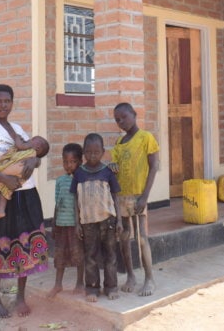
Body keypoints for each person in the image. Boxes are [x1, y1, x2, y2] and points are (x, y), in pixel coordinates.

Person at [0, 84, 49, 319]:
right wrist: (1, 177)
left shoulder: (18, 129)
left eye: (8, 101)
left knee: (24, 244)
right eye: (0, 100)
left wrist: (35, 162)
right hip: (0, 191)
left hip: (26, 195)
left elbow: (34, 154)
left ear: (12, 103)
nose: (4, 105)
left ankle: (20, 296)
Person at [110, 102, 160, 297]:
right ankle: (131, 275)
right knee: (124, 238)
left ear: (135, 114)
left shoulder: (146, 138)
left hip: (139, 196)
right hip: (122, 198)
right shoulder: (118, 144)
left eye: (124, 117)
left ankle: (149, 278)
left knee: (141, 238)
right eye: (117, 120)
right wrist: (113, 168)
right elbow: (115, 168)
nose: (121, 122)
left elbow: (154, 166)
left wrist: (145, 197)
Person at [71, 133, 123, 302]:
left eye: (96, 152)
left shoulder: (108, 172)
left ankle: (111, 287)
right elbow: (75, 199)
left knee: (110, 255)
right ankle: (92, 288)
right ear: (84, 153)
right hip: (88, 223)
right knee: (90, 257)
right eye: (88, 152)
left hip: (108, 221)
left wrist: (120, 220)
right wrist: (77, 223)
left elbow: (115, 197)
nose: (92, 155)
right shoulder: (79, 173)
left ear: (103, 152)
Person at [47, 143, 85, 298]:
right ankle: (58, 284)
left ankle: (80, 282)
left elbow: (82, 204)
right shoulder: (60, 180)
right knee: (60, 255)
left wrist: (80, 224)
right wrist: (54, 223)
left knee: (78, 254)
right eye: (65, 162)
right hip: (61, 225)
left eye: (72, 161)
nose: (68, 165)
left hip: (76, 226)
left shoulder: (82, 179)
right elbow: (58, 202)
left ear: (80, 162)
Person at [0, 135, 50, 221]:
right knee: (4, 189)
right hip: (18, 175)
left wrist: (17, 138)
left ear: (37, 147)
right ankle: (0, 210)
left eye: (33, 140)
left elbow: (19, 146)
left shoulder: (29, 150)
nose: (29, 140)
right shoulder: (32, 152)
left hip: (17, 167)